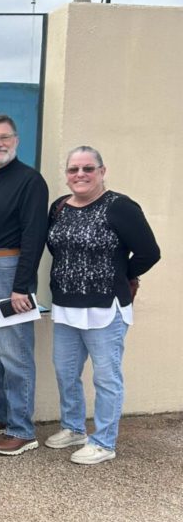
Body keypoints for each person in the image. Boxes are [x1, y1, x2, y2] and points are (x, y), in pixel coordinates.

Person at [45, 146, 160, 465]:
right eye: (73, 169)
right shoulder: (59, 207)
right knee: (66, 371)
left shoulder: (120, 207)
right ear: (67, 175)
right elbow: (58, 248)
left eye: (88, 168)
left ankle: (104, 441)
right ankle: (73, 428)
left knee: (106, 378)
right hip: (66, 306)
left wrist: (118, 275)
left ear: (102, 171)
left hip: (105, 308)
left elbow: (149, 252)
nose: (80, 175)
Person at [0, 113, 48, 456]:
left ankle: (22, 430)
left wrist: (22, 286)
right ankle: (0, 415)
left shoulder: (31, 181)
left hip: (9, 270)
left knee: (14, 352)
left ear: (16, 140)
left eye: (4, 137)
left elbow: (34, 235)